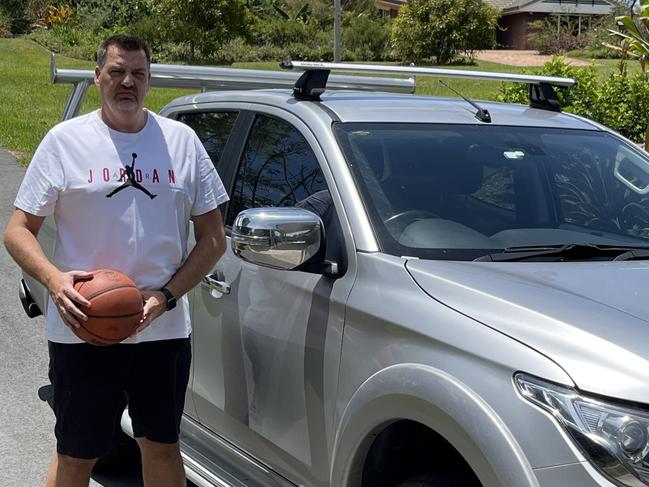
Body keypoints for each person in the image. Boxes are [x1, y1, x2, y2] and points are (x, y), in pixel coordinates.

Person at [3, 34, 228, 487]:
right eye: (117, 72)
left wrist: (165, 297)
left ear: (149, 79)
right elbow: (16, 230)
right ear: (98, 76)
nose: (128, 81)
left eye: (138, 74)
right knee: (76, 454)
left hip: (161, 330)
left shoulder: (181, 143)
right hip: (83, 326)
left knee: (162, 445)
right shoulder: (65, 142)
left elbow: (213, 239)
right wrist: (54, 280)